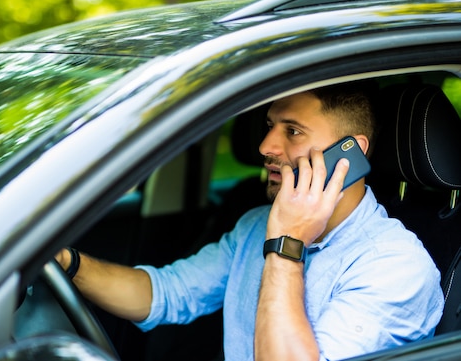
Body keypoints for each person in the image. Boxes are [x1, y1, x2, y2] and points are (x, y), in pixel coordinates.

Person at [56, 84, 444, 361]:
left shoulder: (395, 266)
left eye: (292, 131)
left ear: (349, 154)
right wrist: (65, 262)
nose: (266, 147)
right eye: (270, 126)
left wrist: (286, 245)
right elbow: (167, 293)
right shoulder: (256, 225)